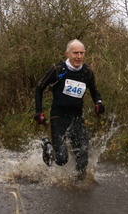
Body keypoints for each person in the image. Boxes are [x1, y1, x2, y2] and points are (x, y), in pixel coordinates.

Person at [34, 39, 105, 180]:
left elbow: (95, 91)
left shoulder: (87, 72)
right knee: (61, 159)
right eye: (75, 53)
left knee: (83, 153)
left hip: (76, 117)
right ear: (67, 54)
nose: (79, 56)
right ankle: (47, 145)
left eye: (81, 53)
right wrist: (38, 111)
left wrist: (98, 102)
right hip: (58, 117)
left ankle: (78, 185)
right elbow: (39, 87)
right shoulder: (57, 69)